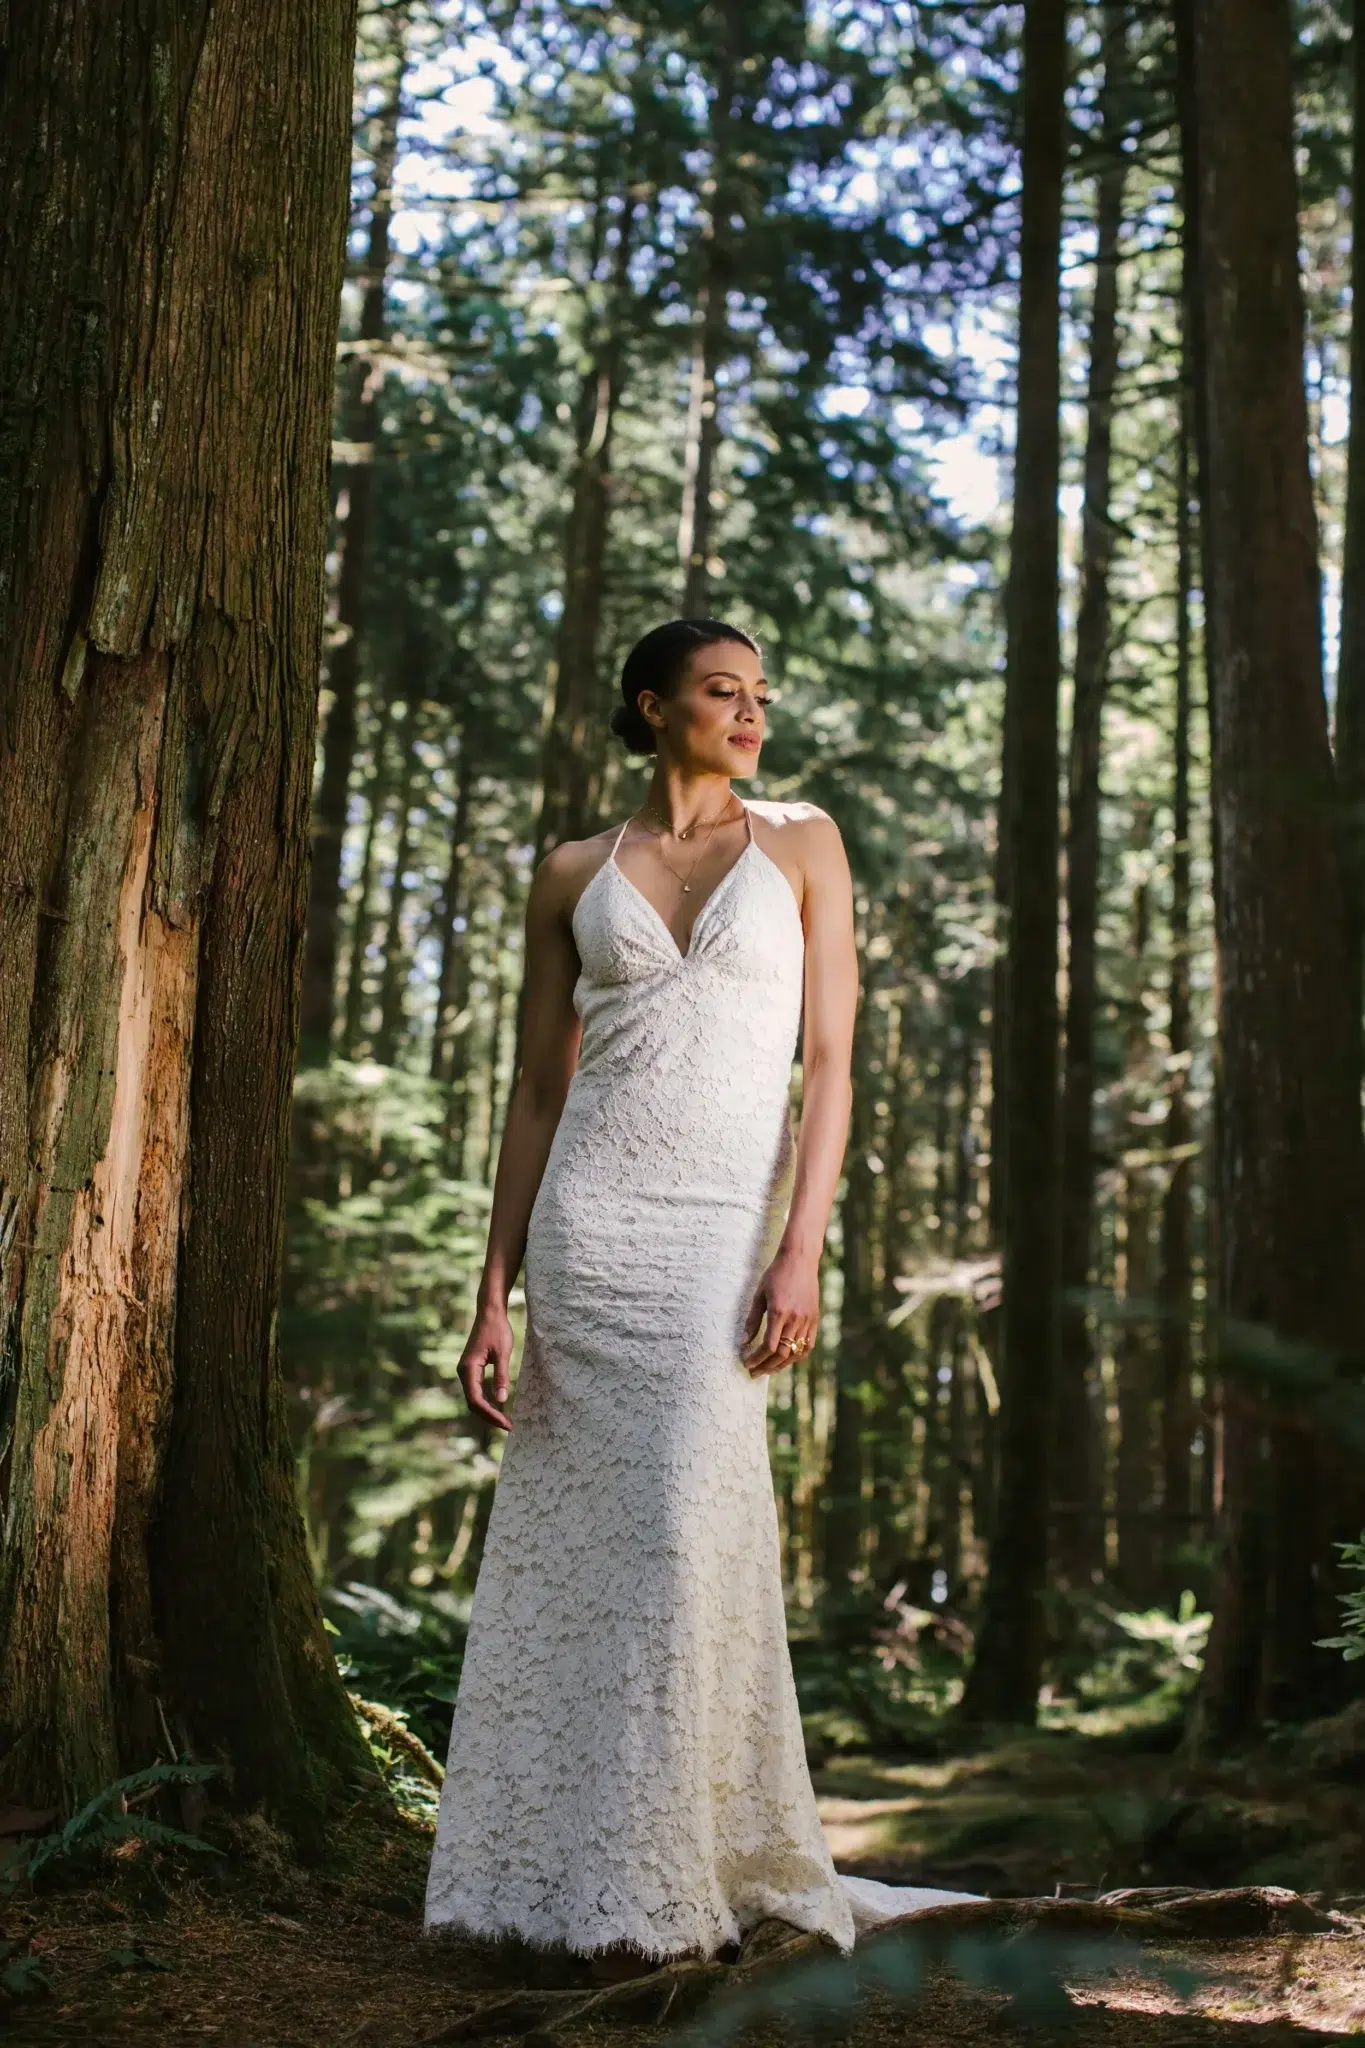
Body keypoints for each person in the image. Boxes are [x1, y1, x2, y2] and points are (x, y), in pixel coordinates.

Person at [423, 618, 978, 1973]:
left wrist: (802, 1249)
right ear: (651, 705)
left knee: (681, 1529)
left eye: (759, 695)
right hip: (585, 1238)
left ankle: (673, 1878)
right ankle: (543, 1874)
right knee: (573, 1558)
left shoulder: (804, 845)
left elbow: (834, 1065)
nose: (750, 713)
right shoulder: (571, 870)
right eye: (722, 692)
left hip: (721, 1241)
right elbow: (538, 1090)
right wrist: (493, 1293)